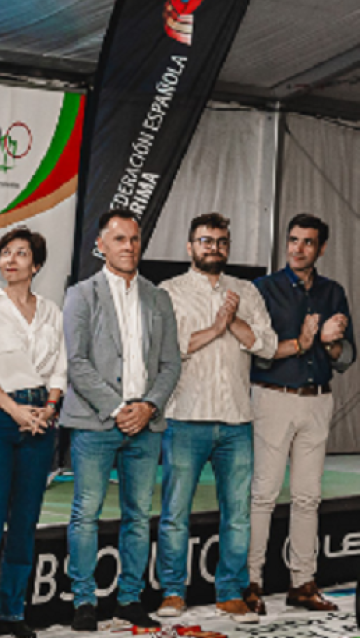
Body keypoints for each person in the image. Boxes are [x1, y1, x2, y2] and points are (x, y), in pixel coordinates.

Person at [153, 213, 276, 624]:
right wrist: (216, 327)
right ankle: (172, 592)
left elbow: (269, 345)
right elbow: (167, 349)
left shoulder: (246, 291)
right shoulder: (168, 292)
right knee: (175, 512)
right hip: (186, 418)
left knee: (237, 513)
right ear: (190, 247)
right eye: (205, 241)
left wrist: (235, 322)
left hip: (237, 420)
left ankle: (230, 592)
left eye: (221, 241)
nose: (214, 248)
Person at [61, 209, 181, 632]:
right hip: (96, 423)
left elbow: (170, 364)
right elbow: (76, 363)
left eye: (134, 239)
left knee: (137, 515)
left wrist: (147, 407)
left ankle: (130, 598)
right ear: (101, 245)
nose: (129, 246)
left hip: (145, 424)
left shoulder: (158, 297)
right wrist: (118, 409)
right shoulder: (81, 294)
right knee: (86, 514)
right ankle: (84, 602)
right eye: (119, 239)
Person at [245, 213, 354, 615]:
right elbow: (259, 347)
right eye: (293, 240)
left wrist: (332, 342)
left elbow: (344, 358)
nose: (298, 248)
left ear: (321, 248)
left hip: (318, 400)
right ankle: (250, 582)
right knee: (263, 494)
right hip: (273, 397)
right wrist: (308, 340)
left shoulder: (333, 292)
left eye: (308, 242)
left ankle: (303, 584)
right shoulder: (264, 289)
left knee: (308, 497)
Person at [0, 228, 64, 638]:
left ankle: (12, 612)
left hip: (41, 418)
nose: (11, 260)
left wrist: (48, 409)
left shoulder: (51, 312)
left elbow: (59, 368)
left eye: (21, 253)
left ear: (36, 265)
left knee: (24, 521)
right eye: (6, 253)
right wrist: (15, 412)